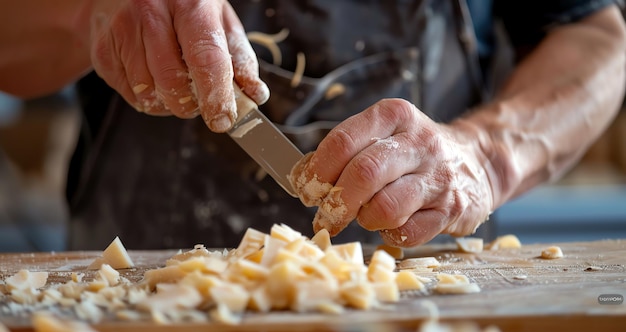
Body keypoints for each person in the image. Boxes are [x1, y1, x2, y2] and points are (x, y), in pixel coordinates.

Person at [0, 1, 624, 250]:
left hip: (422, 312)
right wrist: (88, 9)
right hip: (137, 311)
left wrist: (485, 155)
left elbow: (600, 36)